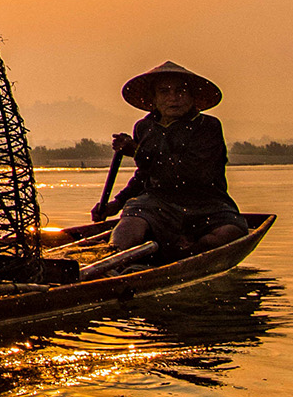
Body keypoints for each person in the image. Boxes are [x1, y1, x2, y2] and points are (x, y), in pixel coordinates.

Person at [93, 61, 247, 260]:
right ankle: (112, 259)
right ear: (154, 99)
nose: (173, 98)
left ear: (192, 97)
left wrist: (138, 152)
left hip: (206, 204)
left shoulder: (207, 127)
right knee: (131, 223)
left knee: (231, 232)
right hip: (158, 204)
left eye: (181, 91)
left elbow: (193, 172)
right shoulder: (145, 127)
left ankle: (191, 250)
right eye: (164, 92)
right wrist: (117, 203)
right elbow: (144, 175)